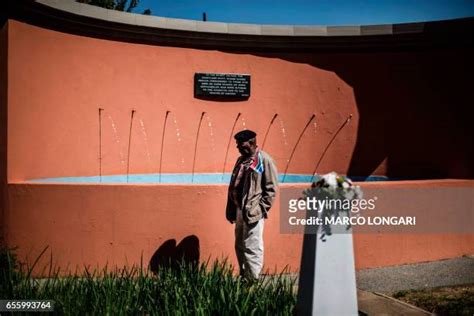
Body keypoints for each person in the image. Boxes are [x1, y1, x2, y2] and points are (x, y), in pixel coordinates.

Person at [226, 130, 278, 279]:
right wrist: (232, 210)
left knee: (252, 246)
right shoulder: (241, 160)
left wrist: (259, 209)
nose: (238, 147)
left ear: (251, 143)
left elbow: (271, 189)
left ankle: (252, 282)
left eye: (240, 144)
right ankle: (245, 276)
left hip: (253, 211)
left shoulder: (263, 160)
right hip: (239, 210)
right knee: (240, 244)